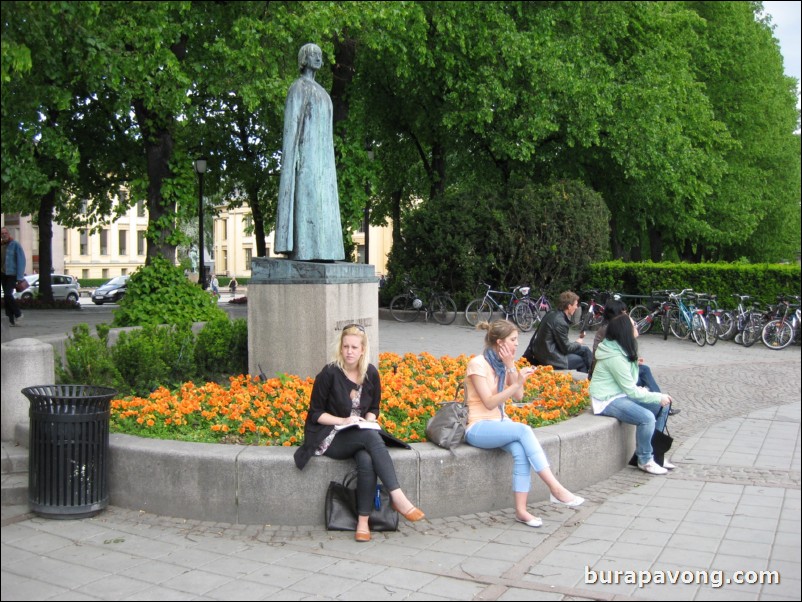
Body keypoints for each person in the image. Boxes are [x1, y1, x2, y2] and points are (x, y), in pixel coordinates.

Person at [294, 324, 424, 541]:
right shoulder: (330, 373)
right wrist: (344, 420)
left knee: (366, 459)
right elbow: (315, 414)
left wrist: (368, 420)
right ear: (340, 348)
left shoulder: (370, 373)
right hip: (330, 436)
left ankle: (363, 522)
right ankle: (397, 496)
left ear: (363, 349)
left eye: (354, 347)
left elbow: (374, 408)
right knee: (370, 438)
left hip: (359, 434)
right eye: (345, 346)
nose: (349, 351)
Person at [465, 320, 585, 528]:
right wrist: (517, 382)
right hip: (478, 427)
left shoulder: (503, 364)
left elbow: (519, 396)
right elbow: (489, 402)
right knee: (524, 429)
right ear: (500, 342)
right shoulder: (478, 364)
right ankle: (555, 488)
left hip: (499, 423)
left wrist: (512, 367)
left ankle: (521, 511)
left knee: (521, 452)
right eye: (513, 340)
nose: (517, 344)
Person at [275, 43, 345, 262]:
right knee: (308, 202)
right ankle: (305, 250)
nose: (317, 58)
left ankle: (325, 250)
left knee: (324, 205)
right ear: (303, 59)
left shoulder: (323, 93)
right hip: (305, 159)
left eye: (319, 55)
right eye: (312, 54)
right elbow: (292, 125)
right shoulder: (298, 88)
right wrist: (293, 155)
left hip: (323, 163)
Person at [589, 313, 674, 475]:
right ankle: (644, 459)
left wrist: (633, 363)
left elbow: (631, 382)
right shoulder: (615, 357)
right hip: (607, 399)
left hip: (619, 394)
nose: (637, 326)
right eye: (634, 325)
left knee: (662, 407)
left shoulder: (620, 349)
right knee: (647, 417)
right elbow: (632, 391)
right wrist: (658, 396)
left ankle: (655, 455)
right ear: (625, 331)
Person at [591, 299, 680, 416]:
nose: (626, 315)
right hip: (608, 377)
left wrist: (631, 361)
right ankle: (659, 400)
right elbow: (612, 357)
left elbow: (618, 353)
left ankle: (660, 402)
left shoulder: (614, 326)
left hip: (614, 368)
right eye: (623, 312)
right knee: (644, 373)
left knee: (644, 369)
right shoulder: (613, 328)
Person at [522, 291, 592, 373]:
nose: (576, 307)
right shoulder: (560, 322)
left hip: (544, 352)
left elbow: (561, 343)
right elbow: (566, 348)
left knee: (585, 350)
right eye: (575, 305)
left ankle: (592, 376)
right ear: (569, 306)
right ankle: (585, 382)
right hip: (550, 357)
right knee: (581, 361)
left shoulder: (551, 313)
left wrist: (577, 343)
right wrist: (577, 342)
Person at [1, 226, 26, 327]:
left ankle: (18, 314)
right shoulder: (1, 245)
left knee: (8, 295)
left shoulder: (15, 245)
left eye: (5, 233)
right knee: (6, 298)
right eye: (2, 234)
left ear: (9, 234)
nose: (3, 235)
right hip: (3, 274)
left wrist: (20, 277)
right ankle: (10, 320)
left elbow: (21, 260)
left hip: (12, 274)